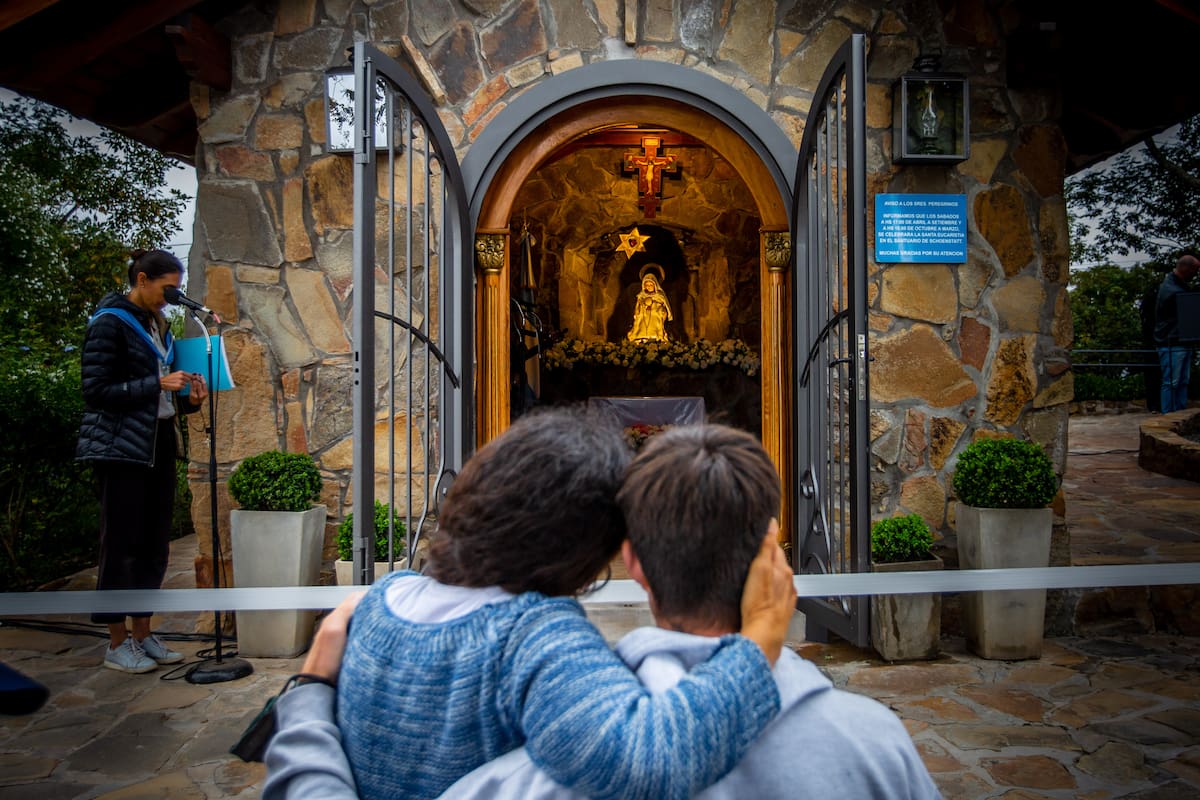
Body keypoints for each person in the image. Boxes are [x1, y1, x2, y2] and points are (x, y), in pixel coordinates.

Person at [264, 424, 941, 800]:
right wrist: (762, 637)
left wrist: (305, 695)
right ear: (598, 556)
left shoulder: (374, 606)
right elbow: (647, 759)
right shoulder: (540, 638)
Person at [76, 248, 208, 674]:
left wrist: (188, 399)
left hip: (157, 442)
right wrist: (156, 382)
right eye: (167, 287)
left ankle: (142, 633)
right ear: (144, 280)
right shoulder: (109, 323)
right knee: (122, 545)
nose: (171, 295)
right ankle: (116, 643)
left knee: (155, 544)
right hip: (120, 449)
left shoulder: (160, 326)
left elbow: (162, 397)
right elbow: (96, 391)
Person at [1154, 252, 1199, 413]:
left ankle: (1181, 413)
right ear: (1187, 269)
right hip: (1171, 342)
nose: (1195, 275)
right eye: (1195, 271)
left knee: (1182, 382)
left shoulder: (1177, 286)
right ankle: (1169, 415)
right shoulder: (1171, 288)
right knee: (1171, 382)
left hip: (1182, 340)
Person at [627, 272, 672, 342]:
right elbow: (637, 306)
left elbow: (664, 306)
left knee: (656, 317)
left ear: (655, 285)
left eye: (651, 285)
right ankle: (639, 336)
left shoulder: (659, 296)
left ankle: (657, 337)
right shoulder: (641, 296)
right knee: (640, 321)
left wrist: (659, 308)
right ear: (644, 286)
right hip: (643, 317)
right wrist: (639, 309)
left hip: (655, 316)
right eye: (647, 285)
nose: (649, 286)